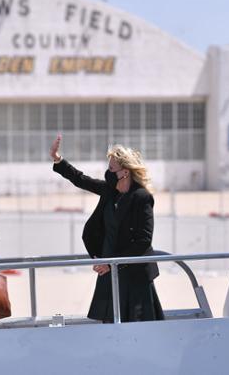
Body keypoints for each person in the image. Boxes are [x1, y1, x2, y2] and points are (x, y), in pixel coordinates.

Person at [50, 135, 164, 323]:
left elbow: (143, 241)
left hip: (133, 276)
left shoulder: (141, 197)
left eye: (111, 168)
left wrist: (113, 262)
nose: (107, 172)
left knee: (138, 329)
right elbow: (81, 180)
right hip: (109, 272)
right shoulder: (110, 191)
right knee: (109, 326)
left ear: (125, 172)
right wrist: (57, 159)